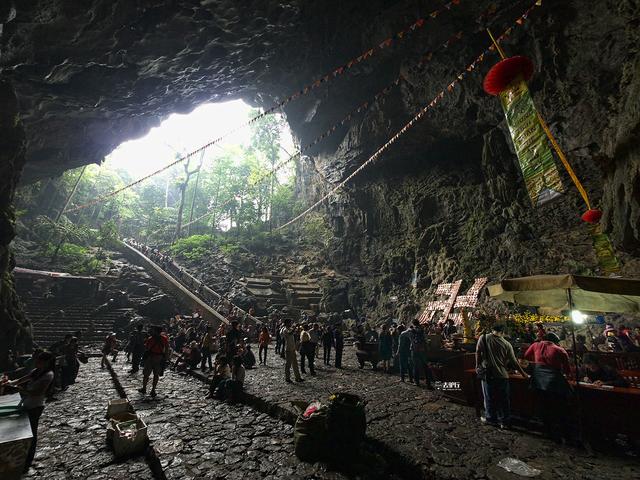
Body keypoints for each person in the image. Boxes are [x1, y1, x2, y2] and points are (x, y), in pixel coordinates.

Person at [5, 351, 55, 472]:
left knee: (32, 433)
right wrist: (9, 382)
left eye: (39, 361)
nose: (36, 362)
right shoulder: (36, 371)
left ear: (46, 362)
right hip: (28, 404)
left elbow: (38, 392)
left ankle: (27, 462)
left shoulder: (48, 375)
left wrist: (18, 389)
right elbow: (22, 379)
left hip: (36, 406)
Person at [476, 324, 528, 429]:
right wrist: (524, 374)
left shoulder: (484, 337)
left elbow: (478, 352)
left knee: (489, 397)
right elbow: (514, 362)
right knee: (504, 400)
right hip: (502, 375)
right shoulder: (507, 344)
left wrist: (477, 366)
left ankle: (491, 418)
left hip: (488, 374)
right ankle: (504, 422)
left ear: (492, 330)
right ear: (503, 332)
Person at [524, 332, 573, 441]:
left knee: (543, 404)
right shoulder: (559, 350)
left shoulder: (535, 345)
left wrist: (537, 361)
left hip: (538, 379)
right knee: (558, 406)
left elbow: (526, 355)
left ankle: (547, 430)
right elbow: (567, 370)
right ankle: (561, 432)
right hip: (553, 381)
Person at [139, 326, 170, 397]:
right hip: (159, 358)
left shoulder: (150, 339)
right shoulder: (164, 339)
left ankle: (144, 388)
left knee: (146, 374)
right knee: (156, 375)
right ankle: (153, 390)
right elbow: (167, 348)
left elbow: (147, 347)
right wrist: (166, 357)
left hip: (150, 358)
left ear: (155, 331)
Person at [410, 319, 434, 389]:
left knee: (415, 366)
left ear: (413, 324)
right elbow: (426, 339)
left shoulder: (412, 331)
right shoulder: (423, 330)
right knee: (425, 366)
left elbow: (412, 341)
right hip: (423, 349)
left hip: (415, 350)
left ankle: (417, 382)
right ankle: (428, 383)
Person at [281, 319, 303, 383]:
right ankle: (287, 378)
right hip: (288, 349)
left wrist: (298, 327)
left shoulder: (290, 328)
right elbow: (290, 333)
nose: (291, 323)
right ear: (287, 323)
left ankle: (297, 377)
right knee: (288, 364)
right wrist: (295, 327)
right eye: (290, 322)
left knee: (295, 364)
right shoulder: (285, 329)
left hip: (292, 348)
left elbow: (296, 332)